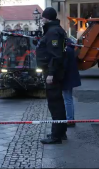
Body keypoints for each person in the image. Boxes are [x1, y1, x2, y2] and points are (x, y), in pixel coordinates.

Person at [35, 7, 68, 144]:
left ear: (47, 17)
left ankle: (57, 136)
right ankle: (61, 132)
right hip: (53, 72)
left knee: (55, 104)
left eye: (43, 17)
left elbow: (55, 56)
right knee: (57, 102)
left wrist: (51, 73)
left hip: (52, 74)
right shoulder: (53, 30)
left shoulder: (53, 32)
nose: (41, 19)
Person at [62, 38, 81, 127]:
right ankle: (70, 118)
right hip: (71, 77)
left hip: (67, 78)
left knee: (68, 100)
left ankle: (70, 119)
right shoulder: (70, 49)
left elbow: (64, 65)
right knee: (69, 99)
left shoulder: (66, 50)